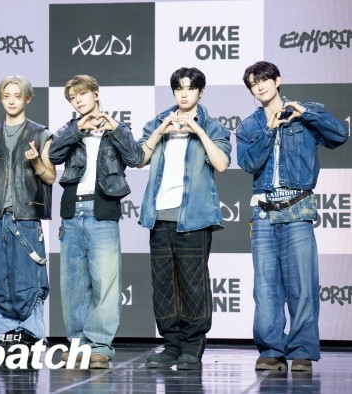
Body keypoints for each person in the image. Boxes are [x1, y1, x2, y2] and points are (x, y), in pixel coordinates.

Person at [236, 61, 348, 373]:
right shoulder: (249, 126)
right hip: (263, 211)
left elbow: (340, 134)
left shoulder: (304, 112)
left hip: (297, 207)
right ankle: (271, 350)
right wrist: (269, 130)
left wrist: (307, 114)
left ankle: (302, 352)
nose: (260, 86)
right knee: (266, 288)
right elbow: (248, 163)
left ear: (277, 80)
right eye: (253, 83)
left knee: (302, 285)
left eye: (264, 80)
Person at [138, 67, 231, 370]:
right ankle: (171, 345)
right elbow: (139, 159)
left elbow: (221, 164)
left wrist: (198, 131)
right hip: (159, 218)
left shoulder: (212, 126)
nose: (184, 93)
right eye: (179, 88)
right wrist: (160, 131)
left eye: (190, 88)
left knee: (193, 284)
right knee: (164, 285)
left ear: (200, 92)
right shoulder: (158, 122)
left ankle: (192, 345)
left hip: (193, 219)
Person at [48, 75, 143, 369]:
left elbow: (136, 158)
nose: (78, 100)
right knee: (74, 285)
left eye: (82, 94)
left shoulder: (117, 130)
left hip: (102, 211)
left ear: (96, 94)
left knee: (106, 283)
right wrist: (77, 129)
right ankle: (78, 345)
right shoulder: (69, 129)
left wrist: (115, 129)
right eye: (72, 97)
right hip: (72, 212)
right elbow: (53, 154)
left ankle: (99, 346)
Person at [0, 75, 55, 353]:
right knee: (1, 279)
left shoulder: (41, 134)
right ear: (1, 98)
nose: (11, 101)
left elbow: (50, 177)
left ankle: (31, 334)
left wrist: (36, 162)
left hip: (26, 217)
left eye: (17, 96)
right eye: (7, 95)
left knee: (29, 280)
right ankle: (3, 335)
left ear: (27, 99)